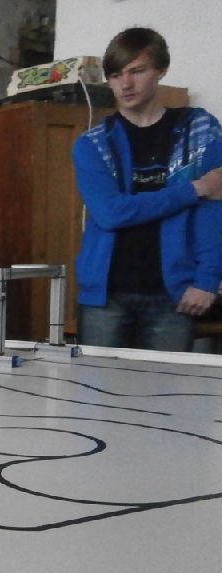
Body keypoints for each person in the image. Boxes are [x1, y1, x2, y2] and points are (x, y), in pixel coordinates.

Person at [73, 27, 222, 351]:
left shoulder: (200, 129)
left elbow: (214, 210)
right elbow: (111, 213)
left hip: (174, 294)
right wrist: (192, 189)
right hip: (106, 296)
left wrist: (208, 280)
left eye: (137, 71)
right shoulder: (92, 144)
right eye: (115, 75)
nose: (125, 84)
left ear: (161, 70)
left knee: (165, 385)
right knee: (96, 384)